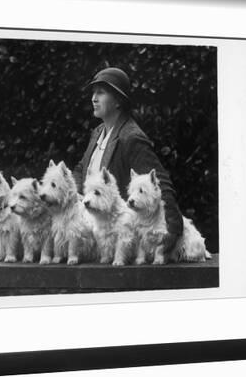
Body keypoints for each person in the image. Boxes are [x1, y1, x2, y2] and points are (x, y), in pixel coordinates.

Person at [72, 67, 183, 251]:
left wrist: (173, 231)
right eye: (93, 92)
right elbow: (81, 168)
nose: (93, 98)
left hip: (118, 238)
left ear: (118, 101)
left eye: (101, 92)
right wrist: (71, 191)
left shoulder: (131, 137)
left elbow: (160, 182)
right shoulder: (98, 132)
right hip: (92, 227)